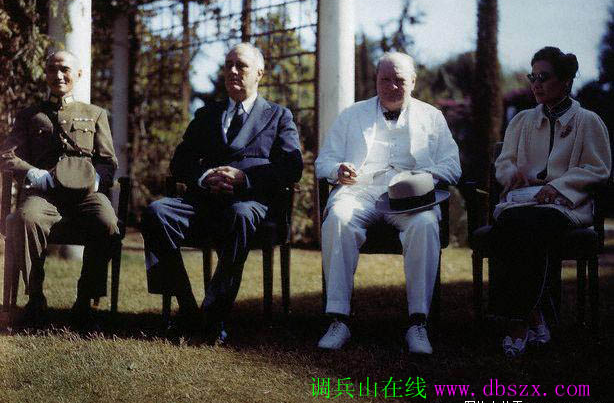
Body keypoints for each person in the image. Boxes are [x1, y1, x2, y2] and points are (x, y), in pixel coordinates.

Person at [141, 43, 303, 343]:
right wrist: (204, 178)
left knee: (239, 214)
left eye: (240, 65)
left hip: (250, 204)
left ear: (259, 73)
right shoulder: (207, 114)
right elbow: (181, 161)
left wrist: (244, 179)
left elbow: (291, 167)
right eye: (228, 65)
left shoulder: (279, 116)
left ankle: (214, 315)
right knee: (156, 213)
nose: (232, 71)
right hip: (204, 203)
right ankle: (188, 309)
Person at [315, 52, 461, 354]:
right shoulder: (351, 115)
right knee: (338, 219)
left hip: (410, 197)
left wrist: (423, 178)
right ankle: (338, 320)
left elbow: (452, 166)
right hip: (359, 191)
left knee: (425, 223)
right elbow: (323, 162)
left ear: (413, 82)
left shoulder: (432, 117)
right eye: (385, 80)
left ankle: (418, 323)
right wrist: (338, 169)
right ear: (376, 80)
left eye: (400, 80)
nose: (392, 86)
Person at [491, 46, 611, 357]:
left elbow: (598, 169)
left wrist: (558, 187)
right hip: (522, 202)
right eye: (533, 77)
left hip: (566, 206)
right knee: (512, 221)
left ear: (566, 81)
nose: (537, 84)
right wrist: (512, 174)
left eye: (544, 77)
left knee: (528, 224)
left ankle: (516, 322)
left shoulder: (588, 121)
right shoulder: (522, 121)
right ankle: (535, 316)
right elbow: (504, 163)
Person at [0, 50, 120, 326]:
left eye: (65, 69)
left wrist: (95, 179)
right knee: (26, 218)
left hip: (86, 194)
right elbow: (6, 155)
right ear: (46, 74)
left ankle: (85, 300)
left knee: (107, 222)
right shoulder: (29, 115)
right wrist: (33, 173)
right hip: (44, 194)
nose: (58, 75)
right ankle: (35, 297)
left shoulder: (95, 114)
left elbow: (108, 161)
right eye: (52, 69)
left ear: (78, 74)